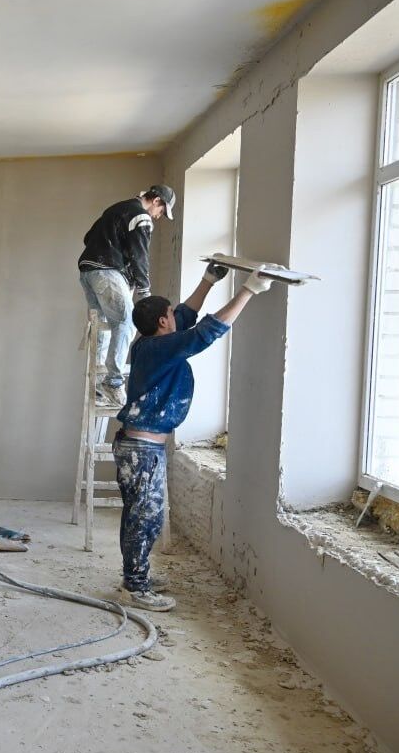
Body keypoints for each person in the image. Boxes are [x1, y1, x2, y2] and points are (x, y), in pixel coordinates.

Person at [113, 262, 273, 612]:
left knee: (142, 514)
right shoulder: (160, 349)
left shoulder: (150, 343)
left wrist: (208, 281)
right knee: (145, 517)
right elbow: (204, 333)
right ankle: (134, 587)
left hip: (140, 447)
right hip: (141, 450)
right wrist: (248, 290)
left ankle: (135, 576)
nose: (176, 316)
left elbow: (185, 316)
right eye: (170, 314)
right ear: (162, 322)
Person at [77, 185, 177, 408]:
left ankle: (98, 386)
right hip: (106, 273)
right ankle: (113, 382)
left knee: (103, 326)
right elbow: (140, 255)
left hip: (88, 272)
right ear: (156, 201)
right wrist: (145, 292)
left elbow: (88, 238)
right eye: (161, 211)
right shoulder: (142, 217)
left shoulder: (118, 208)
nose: (158, 216)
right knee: (127, 322)